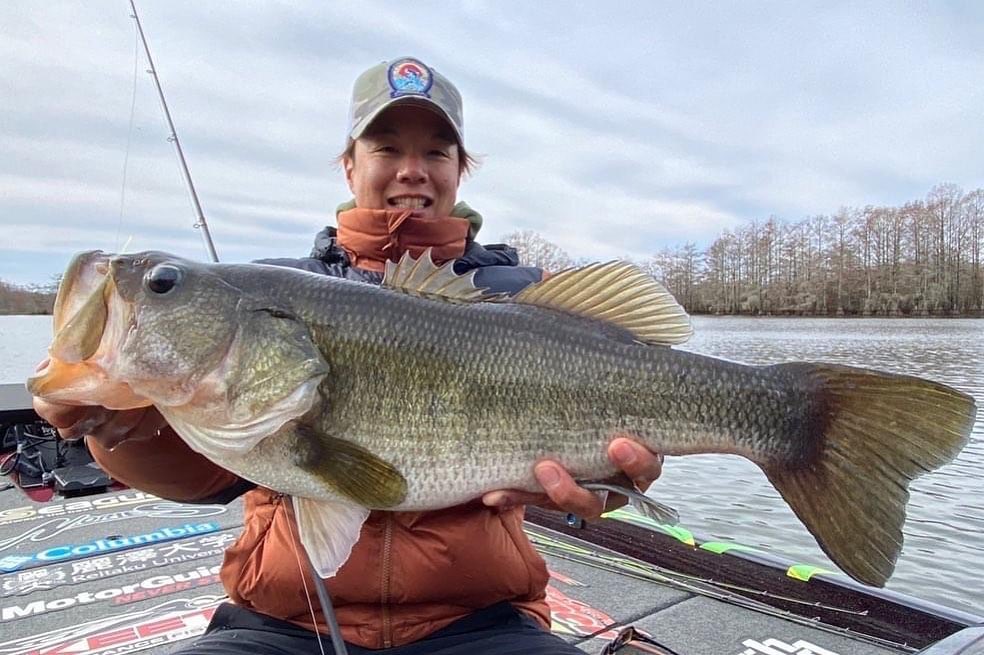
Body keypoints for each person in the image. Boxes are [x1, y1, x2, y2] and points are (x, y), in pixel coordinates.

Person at [32, 57, 664, 654]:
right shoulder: (277, 286)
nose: (411, 169)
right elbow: (204, 480)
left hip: (482, 618)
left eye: (435, 152)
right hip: (283, 619)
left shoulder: (522, 300)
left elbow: (604, 481)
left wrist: (606, 489)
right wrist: (119, 429)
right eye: (386, 147)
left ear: (458, 171)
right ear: (349, 165)